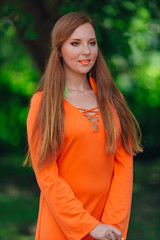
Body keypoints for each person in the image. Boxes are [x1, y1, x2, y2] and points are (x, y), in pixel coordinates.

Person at [24, 12, 142, 240]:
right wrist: (88, 226)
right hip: (61, 222)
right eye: (75, 43)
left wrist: (112, 225)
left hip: (108, 224)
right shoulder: (43, 103)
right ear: (59, 50)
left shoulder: (112, 97)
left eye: (92, 43)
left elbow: (124, 162)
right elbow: (47, 175)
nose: (86, 51)